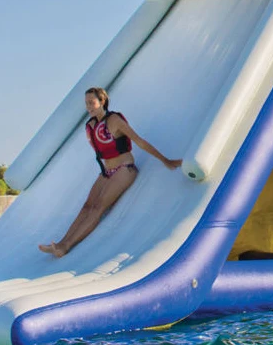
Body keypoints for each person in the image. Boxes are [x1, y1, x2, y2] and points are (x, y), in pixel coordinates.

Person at [39, 87, 182, 258]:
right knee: (86, 207)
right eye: (86, 104)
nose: (89, 107)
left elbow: (140, 142)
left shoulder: (114, 120)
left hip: (124, 169)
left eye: (92, 103)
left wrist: (165, 160)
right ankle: (60, 243)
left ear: (102, 101)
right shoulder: (90, 126)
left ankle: (66, 246)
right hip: (106, 172)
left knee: (98, 207)